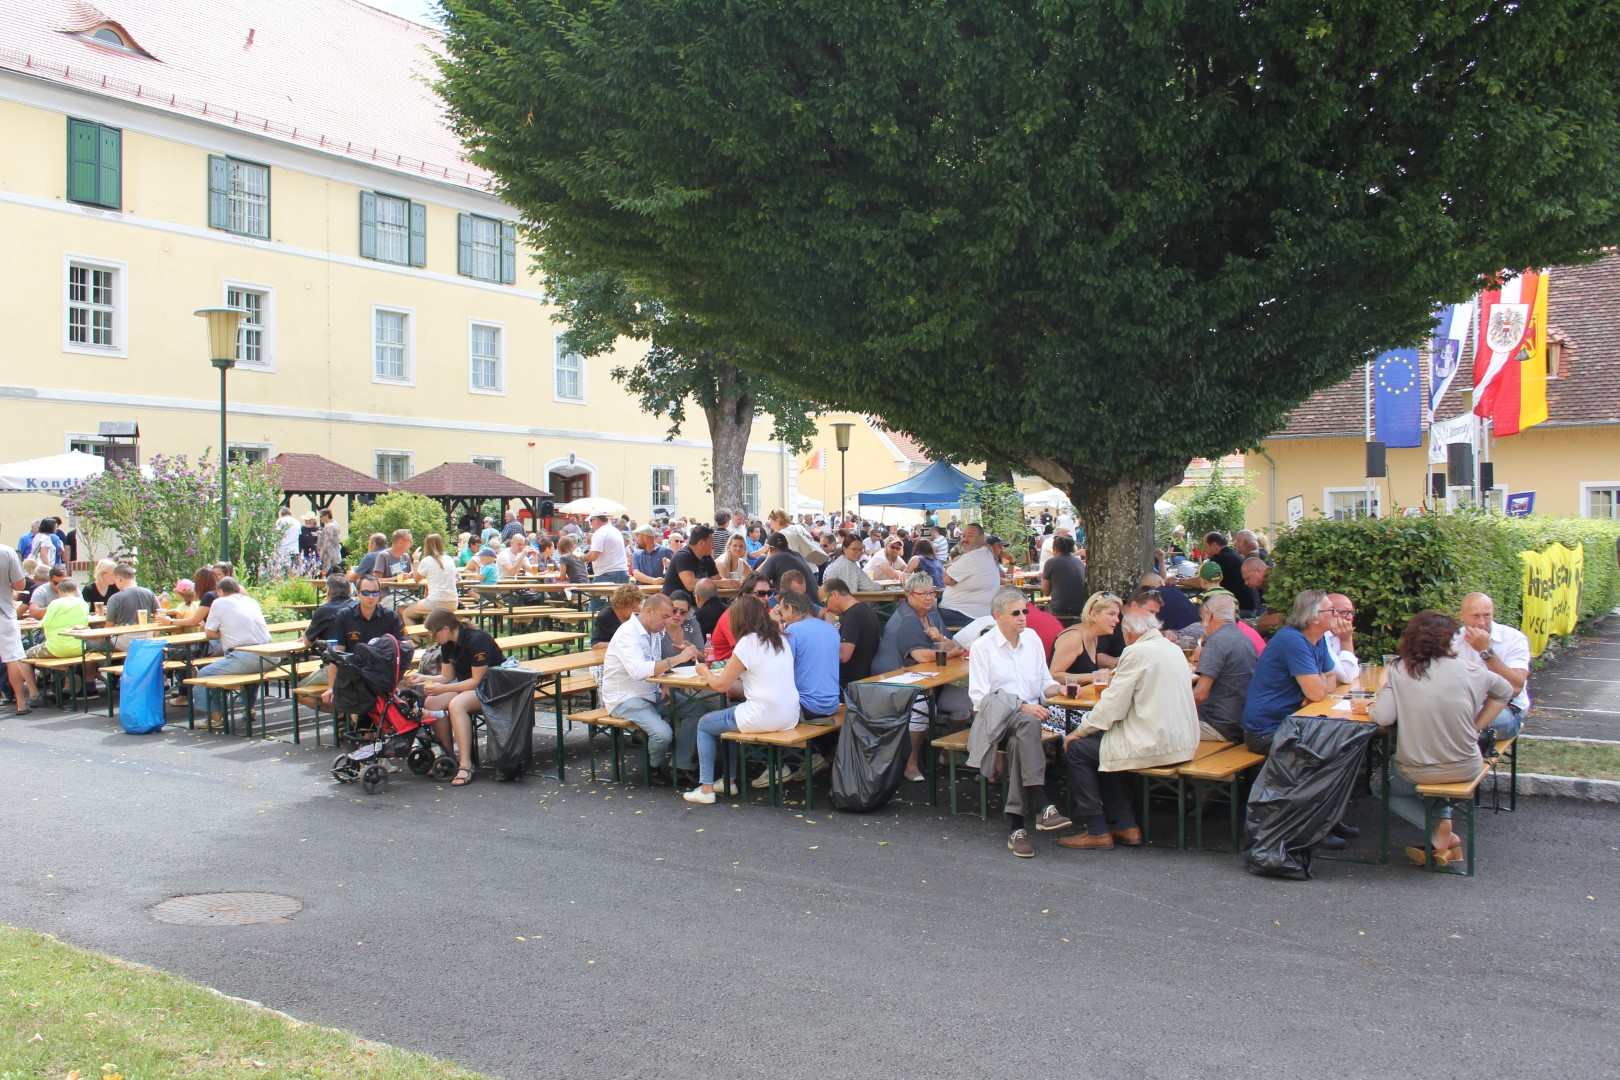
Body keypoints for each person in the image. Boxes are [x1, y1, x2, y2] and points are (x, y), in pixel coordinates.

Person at [1371, 610, 1515, 867]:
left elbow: (1382, 717)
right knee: (1438, 762)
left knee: (1379, 781)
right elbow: (1505, 691)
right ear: (1450, 639)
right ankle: (1444, 838)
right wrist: (1477, 726)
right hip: (1467, 764)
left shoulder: (1400, 670)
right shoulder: (1470, 669)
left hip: (1418, 770)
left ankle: (1439, 832)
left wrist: (1371, 705)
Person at [1059, 607, 1200, 851]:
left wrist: (1079, 730)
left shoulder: (1136, 652)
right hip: (1183, 741)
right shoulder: (1173, 649)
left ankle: (1097, 829)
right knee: (1105, 746)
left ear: (1128, 633)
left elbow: (1112, 705)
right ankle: (1125, 824)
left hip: (1156, 743)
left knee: (1079, 748)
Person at [967, 587, 1074, 857]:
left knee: (1021, 738)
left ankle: (1017, 828)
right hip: (995, 720)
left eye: (1024, 611)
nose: (1023, 617)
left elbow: (1044, 682)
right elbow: (980, 699)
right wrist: (1021, 706)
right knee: (1027, 722)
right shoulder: (982, 647)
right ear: (997, 616)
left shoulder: (1033, 639)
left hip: (1028, 721)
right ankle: (1040, 801)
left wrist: (1060, 689)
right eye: (1015, 613)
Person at [683, 594, 799, 804]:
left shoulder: (747, 642)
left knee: (705, 724)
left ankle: (706, 788)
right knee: (729, 721)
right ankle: (729, 780)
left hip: (763, 715)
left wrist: (703, 672)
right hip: (789, 714)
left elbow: (720, 685)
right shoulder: (780, 638)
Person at [872, 572, 973, 782]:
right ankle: (910, 762)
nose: (929, 598)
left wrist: (941, 638)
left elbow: (951, 643)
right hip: (895, 682)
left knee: (964, 702)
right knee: (926, 707)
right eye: (923, 594)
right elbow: (920, 656)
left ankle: (946, 751)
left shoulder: (932, 614)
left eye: (932, 593)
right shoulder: (907, 618)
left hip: (926, 679)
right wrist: (952, 651)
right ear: (909, 596)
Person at [602, 591, 700, 786]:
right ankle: (653, 768)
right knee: (663, 734)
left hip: (650, 692)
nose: (669, 621)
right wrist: (678, 659)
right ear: (648, 611)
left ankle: (680, 766)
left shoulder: (654, 631)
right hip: (624, 697)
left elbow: (654, 663)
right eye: (665, 616)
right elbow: (639, 670)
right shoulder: (627, 633)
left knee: (697, 709)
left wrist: (662, 682)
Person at [1240, 590, 1336, 756]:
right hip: (1267, 732)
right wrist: (1318, 687)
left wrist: (1319, 686)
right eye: (1331, 610)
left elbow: (1333, 678)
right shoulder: (1293, 640)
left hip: (1293, 725)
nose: (1336, 614)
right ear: (1314, 618)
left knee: (1338, 741)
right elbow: (1318, 693)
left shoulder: (1317, 638)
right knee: (1330, 748)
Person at [416, 610, 504, 787]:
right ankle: (448, 755)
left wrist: (444, 689)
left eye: (434, 634)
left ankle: (466, 764)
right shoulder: (447, 644)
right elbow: (446, 677)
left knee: (456, 705)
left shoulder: (477, 639)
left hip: (491, 688)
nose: (433, 639)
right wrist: (423, 678)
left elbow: (476, 681)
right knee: (432, 702)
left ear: (446, 629)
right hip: (469, 686)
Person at [191, 577, 273, 731]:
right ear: (237, 589)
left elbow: (209, 633)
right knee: (251, 673)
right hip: (271, 656)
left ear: (220, 592)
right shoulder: (251, 601)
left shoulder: (219, 602)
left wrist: (224, 634)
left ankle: (216, 718)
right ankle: (248, 709)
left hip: (244, 656)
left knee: (204, 674)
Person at [1451, 592, 1532, 743]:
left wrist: (1486, 652)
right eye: (1475, 616)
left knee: (1461, 729)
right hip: (1462, 707)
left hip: (1506, 708)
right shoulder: (1452, 640)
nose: (1482, 622)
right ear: (1462, 616)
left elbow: (1515, 688)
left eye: (1486, 615)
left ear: (1493, 613)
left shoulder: (1514, 638)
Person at [1191, 591, 1257, 742]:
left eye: (1202, 618)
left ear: (1208, 615)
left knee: (1158, 726)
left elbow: (1200, 695)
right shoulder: (1245, 639)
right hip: (1241, 723)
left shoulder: (1216, 642)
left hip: (1217, 726)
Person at [0, 530, 42, 713]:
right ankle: (20, 703)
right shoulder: (7, 552)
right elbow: (20, 585)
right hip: (3, 612)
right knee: (12, 658)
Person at [1048, 591, 1122, 687]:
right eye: (1112, 614)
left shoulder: (1094, 637)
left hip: (1081, 698)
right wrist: (1092, 676)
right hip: (1062, 699)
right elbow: (1053, 675)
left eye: (1117, 615)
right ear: (1093, 615)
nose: (1117, 620)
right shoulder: (1074, 637)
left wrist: (1103, 672)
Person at [326, 574, 405, 655]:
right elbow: (339, 651)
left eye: (375, 593)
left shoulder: (391, 616)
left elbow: (406, 643)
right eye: (366, 593)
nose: (371, 597)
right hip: (354, 665)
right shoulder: (344, 616)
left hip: (382, 665)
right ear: (357, 593)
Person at [939, 523, 999, 628]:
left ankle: (938, 644)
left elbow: (947, 579)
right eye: (963, 535)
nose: (965, 539)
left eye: (970, 536)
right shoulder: (987, 552)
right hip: (980, 613)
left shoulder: (972, 557)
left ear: (981, 538)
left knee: (924, 615)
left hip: (963, 614)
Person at [299, 575, 353, 689]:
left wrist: (308, 632)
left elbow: (307, 642)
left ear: (328, 590)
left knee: (300, 690)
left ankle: (336, 707)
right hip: (357, 663)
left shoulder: (324, 610)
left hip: (335, 666)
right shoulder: (357, 606)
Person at [822, 579, 880, 685]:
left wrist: (828, 628)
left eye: (824, 602)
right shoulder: (865, 609)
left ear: (835, 594)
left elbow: (843, 655)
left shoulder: (852, 616)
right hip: (864, 679)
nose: (826, 608)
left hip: (849, 685)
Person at [404, 533, 459, 622]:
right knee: (426, 613)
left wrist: (416, 560)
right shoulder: (449, 559)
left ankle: (417, 636)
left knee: (406, 613)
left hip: (436, 601)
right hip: (453, 602)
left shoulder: (427, 560)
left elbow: (416, 579)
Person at [103, 564, 159, 651]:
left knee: (91, 646)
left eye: (115, 581)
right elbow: (160, 617)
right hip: (147, 638)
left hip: (124, 643)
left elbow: (109, 628)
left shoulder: (114, 598)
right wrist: (153, 634)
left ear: (119, 578)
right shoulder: (149, 593)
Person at [1203, 532, 1258, 614]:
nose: (1204, 550)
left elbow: (1203, 581)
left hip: (1241, 609)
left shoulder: (1220, 558)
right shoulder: (1233, 555)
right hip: (1252, 606)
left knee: (1203, 612)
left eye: (1205, 546)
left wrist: (1179, 581)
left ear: (1214, 545)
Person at [1040, 535, 1087, 617]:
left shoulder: (1051, 562)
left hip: (1059, 608)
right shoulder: (1079, 562)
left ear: (1055, 549)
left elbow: (1046, 592)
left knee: (1041, 612)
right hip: (1080, 607)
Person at [664, 524, 718, 595]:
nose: (713, 545)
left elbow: (717, 579)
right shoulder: (683, 556)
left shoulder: (706, 557)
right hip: (678, 603)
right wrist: (722, 583)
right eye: (711, 542)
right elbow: (690, 585)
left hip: (699, 602)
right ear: (701, 543)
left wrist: (731, 582)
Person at [1142, 572, 1201, 636]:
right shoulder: (1172, 589)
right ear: (1162, 582)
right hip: (1200, 623)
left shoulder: (1152, 598)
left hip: (1184, 631)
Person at [1323, 592, 1361, 685]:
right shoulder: (1320, 636)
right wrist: (1346, 640)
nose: (1350, 618)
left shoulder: (1338, 634)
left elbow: (1354, 672)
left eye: (1351, 613)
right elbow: (1347, 677)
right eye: (1344, 612)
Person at [583, 510, 630, 583]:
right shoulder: (615, 531)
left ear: (595, 520)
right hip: (622, 572)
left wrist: (582, 557)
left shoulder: (600, 532)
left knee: (595, 593)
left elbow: (593, 555)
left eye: (590, 521)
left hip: (607, 574)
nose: (590, 525)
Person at [665, 589, 706, 655]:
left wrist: (692, 649)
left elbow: (703, 657)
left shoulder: (692, 624)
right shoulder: (660, 627)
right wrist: (680, 658)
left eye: (683, 612)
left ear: (688, 613)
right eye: (674, 610)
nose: (678, 615)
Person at [317, 509, 344, 574]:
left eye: (321, 516)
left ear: (326, 516)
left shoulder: (329, 526)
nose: (320, 518)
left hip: (329, 556)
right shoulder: (335, 524)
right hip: (335, 554)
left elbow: (327, 543)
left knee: (327, 574)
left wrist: (321, 554)